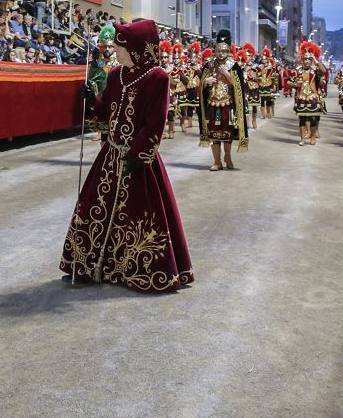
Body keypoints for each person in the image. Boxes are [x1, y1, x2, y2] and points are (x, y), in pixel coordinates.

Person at [60, 19, 193, 292]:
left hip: (137, 161)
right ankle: (85, 266)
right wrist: (90, 101)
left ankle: (136, 271)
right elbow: (107, 110)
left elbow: (154, 122)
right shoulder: (115, 75)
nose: (115, 51)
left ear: (136, 48)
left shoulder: (158, 77)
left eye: (120, 46)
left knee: (138, 215)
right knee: (92, 208)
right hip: (109, 157)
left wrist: (137, 155)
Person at [198, 29, 249, 170]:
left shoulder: (234, 66)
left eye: (224, 51)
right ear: (215, 50)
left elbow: (241, 87)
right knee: (214, 134)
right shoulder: (209, 65)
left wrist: (226, 74)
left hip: (228, 104)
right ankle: (216, 162)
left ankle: (228, 157)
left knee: (227, 134)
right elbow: (201, 85)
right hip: (212, 104)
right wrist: (205, 81)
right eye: (218, 50)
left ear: (229, 51)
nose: (221, 53)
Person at [289, 42, 326, 146]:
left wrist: (315, 60)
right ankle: (302, 139)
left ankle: (313, 137)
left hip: (313, 98)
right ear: (302, 59)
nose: (306, 61)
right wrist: (296, 85)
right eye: (305, 59)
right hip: (301, 98)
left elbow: (324, 71)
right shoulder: (297, 71)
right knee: (302, 119)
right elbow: (289, 82)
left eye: (309, 59)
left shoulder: (315, 70)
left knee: (313, 119)